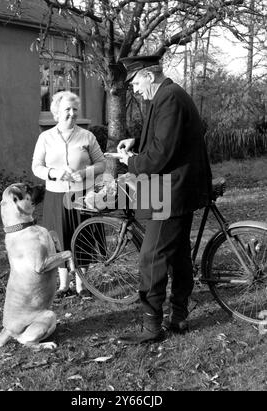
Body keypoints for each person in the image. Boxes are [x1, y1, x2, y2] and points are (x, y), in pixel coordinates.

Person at [117, 55, 212, 344]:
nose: (133, 89)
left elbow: (160, 155)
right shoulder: (169, 95)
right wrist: (137, 140)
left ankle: (152, 326)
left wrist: (130, 162)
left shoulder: (169, 98)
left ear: (148, 75)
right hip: (176, 190)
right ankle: (179, 317)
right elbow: (165, 138)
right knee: (178, 255)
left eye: (134, 82)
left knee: (152, 257)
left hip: (168, 192)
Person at [32, 91, 106, 297]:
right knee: (59, 240)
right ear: (56, 112)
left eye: (75, 109)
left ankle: (82, 285)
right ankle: (64, 285)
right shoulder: (45, 137)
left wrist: (83, 173)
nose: (72, 114)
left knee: (82, 239)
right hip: (56, 196)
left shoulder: (87, 136)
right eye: (67, 109)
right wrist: (54, 173)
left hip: (81, 196)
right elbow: (36, 166)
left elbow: (102, 164)